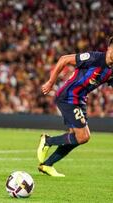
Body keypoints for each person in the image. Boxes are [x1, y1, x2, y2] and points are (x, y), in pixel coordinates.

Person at [37, 37, 113, 177]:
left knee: (75, 138)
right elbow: (64, 59)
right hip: (68, 97)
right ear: (109, 48)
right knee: (83, 137)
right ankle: (48, 141)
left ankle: (47, 165)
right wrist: (50, 82)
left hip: (80, 99)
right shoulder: (95, 57)